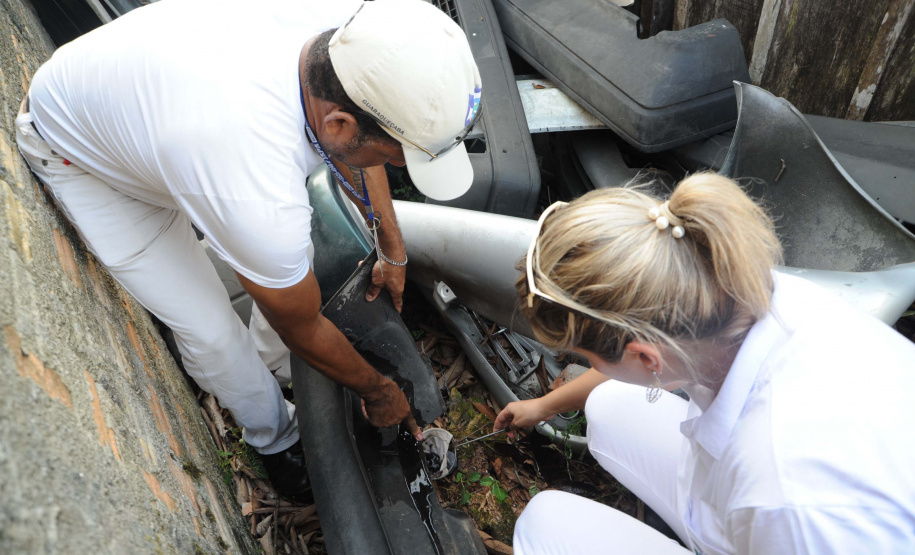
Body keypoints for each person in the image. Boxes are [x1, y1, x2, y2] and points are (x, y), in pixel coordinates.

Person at [17, 0, 482, 501]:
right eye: (397, 156)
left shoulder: (353, 34)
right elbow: (298, 323)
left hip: (151, 118)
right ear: (339, 125)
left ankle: (279, 367)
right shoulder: (254, 187)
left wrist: (392, 247)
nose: (396, 166)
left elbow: (367, 136)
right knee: (213, 333)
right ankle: (276, 437)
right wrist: (378, 390)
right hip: (85, 161)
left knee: (289, 266)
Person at [495, 173, 915, 553]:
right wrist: (544, 406)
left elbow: (778, 505)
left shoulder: (783, 498)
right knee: (607, 406)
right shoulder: (741, 290)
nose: (593, 366)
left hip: (770, 524)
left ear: (648, 356)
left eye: (588, 358)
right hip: (739, 503)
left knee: (543, 524)